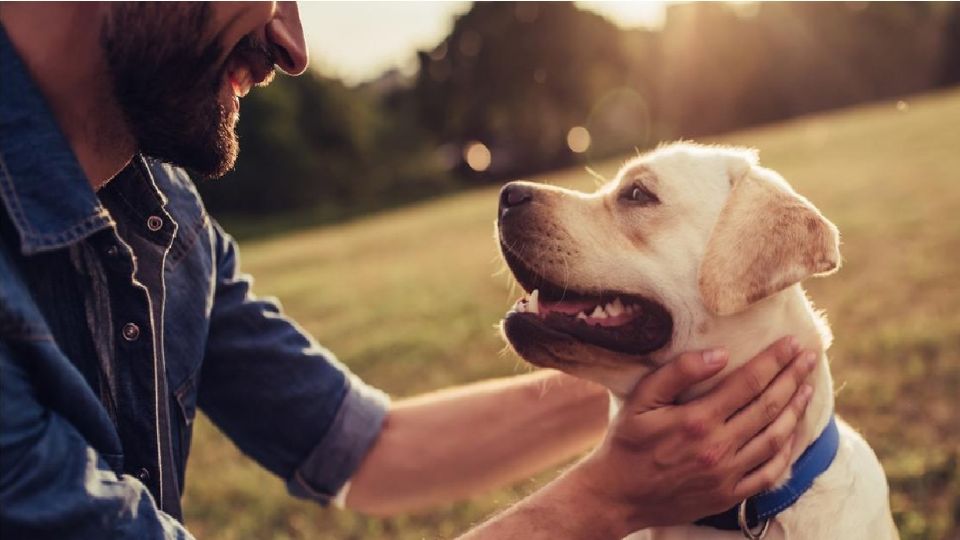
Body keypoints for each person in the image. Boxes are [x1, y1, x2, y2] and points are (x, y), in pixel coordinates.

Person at [0, 3, 816, 539]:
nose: (291, 46)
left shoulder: (166, 217)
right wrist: (607, 498)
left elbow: (371, 449)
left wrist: (678, 369)